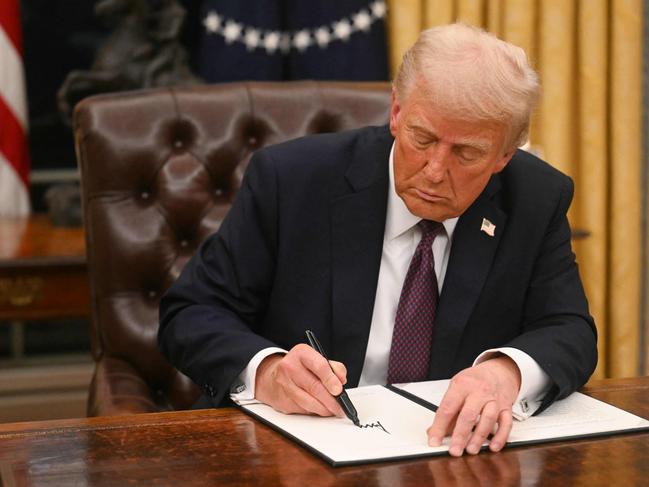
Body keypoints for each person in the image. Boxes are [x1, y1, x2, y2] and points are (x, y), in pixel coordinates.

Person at [158, 23, 597, 457]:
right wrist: (268, 370)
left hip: (450, 457)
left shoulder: (535, 199)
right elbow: (192, 312)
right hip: (294, 455)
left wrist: (506, 374)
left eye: (467, 153)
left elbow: (569, 329)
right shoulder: (292, 181)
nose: (435, 170)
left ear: (506, 154)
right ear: (396, 111)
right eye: (421, 138)